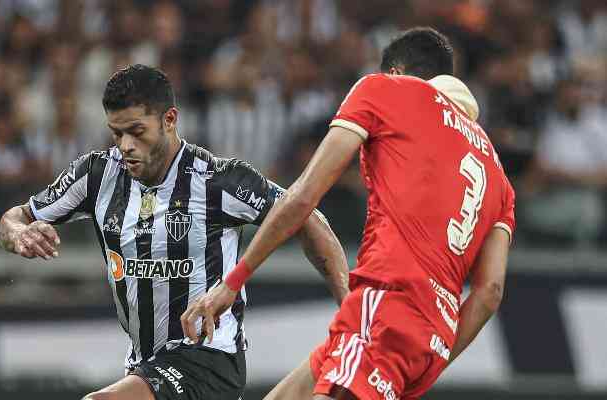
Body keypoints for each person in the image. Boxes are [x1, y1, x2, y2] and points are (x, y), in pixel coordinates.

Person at [181, 27, 516, 400]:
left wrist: (233, 282)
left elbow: (303, 196)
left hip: (388, 301)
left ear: (397, 71)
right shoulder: (498, 175)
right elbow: (489, 292)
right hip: (431, 337)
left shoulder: (387, 90)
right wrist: (431, 356)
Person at [0, 64, 350, 400]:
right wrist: (17, 234)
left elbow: (308, 218)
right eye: (117, 133)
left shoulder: (217, 181)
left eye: (137, 132)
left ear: (169, 121)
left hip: (209, 360)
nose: (125, 146)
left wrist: (350, 311)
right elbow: (16, 217)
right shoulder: (97, 175)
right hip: (145, 366)